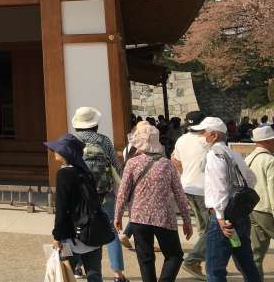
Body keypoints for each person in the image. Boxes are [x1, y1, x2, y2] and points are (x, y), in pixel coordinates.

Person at [114, 121, 193, 282]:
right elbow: (179, 194)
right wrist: (186, 220)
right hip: (164, 218)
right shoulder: (167, 165)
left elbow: (123, 192)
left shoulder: (132, 163)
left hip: (138, 217)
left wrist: (118, 215)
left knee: (145, 258)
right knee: (174, 255)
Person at [194, 116, 261, 281]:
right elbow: (251, 179)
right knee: (246, 263)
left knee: (215, 269)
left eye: (203, 133)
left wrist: (220, 217)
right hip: (239, 215)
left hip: (223, 218)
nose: (201, 137)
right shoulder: (232, 153)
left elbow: (219, 187)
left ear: (214, 135)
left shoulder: (214, 155)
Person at [71, 106, 128, 282]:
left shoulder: (71, 141)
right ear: (95, 124)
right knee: (110, 229)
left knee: (79, 229)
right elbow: (116, 167)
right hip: (104, 193)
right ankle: (117, 272)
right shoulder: (104, 141)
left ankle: (78, 267)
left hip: (80, 195)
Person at [46, 133, 104, 282]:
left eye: (57, 149)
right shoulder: (86, 172)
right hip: (92, 230)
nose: (54, 152)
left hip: (70, 234)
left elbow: (62, 207)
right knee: (94, 275)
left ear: (66, 152)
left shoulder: (63, 174)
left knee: (66, 273)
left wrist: (57, 236)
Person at [172, 110, 210, 280]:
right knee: (214, 228)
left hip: (188, 186)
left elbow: (175, 160)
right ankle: (193, 260)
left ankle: (204, 262)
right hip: (205, 188)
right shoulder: (206, 140)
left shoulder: (181, 139)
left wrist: (186, 171)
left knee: (203, 227)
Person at [247, 125, 274, 280]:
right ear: (269, 141)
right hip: (266, 210)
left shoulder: (249, 158)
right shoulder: (270, 160)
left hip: (253, 208)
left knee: (257, 251)